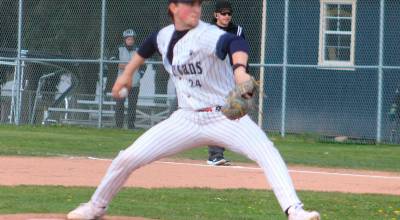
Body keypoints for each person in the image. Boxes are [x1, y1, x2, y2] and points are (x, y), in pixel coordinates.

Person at [66, 1, 320, 220]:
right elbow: (145, 48)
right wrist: (128, 75)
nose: (196, 8)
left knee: (267, 151)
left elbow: (234, 43)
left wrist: (240, 70)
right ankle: (95, 207)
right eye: (189, 3)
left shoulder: (207, 34)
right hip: (185, 119)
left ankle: (295, 211)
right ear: (173, 8)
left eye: (198, 3)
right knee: (127, 158)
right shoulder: (163, 35)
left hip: (224, 117)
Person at [206, 0, 246, 166]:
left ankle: (216, 153)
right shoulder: (207, 30)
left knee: (230, 115)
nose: (227, 16)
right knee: (218, 115)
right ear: (216, 15)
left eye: (229, 13)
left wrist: (244, 75)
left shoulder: (237, 30)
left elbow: (243, 52)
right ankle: (215, 154)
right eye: (223, 13)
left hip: (232, 76)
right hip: (213, 78)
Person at [114, 29, 144, 129]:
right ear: (125, 40)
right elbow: (113, 62)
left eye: (131, 39)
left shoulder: (138, 50)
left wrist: (140, 74)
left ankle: (131, 126)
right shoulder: (119, 49)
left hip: (134, 83)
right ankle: (119, 126)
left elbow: (143, 64)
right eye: (128, 39)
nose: (130, 41)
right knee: (120, 104)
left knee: (132, 106)